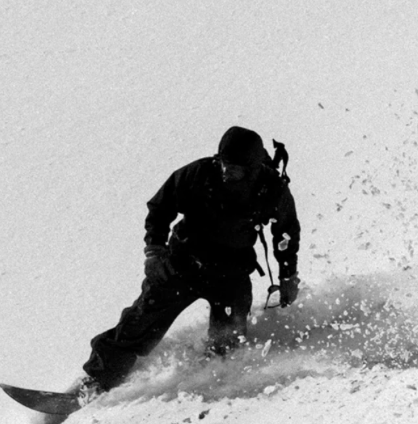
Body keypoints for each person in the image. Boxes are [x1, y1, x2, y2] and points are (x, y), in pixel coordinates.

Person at [74, 125, 301, 400]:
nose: (227, 172)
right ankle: (96, 382)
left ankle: (211, 385)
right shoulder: (199, 174)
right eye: (224, 164)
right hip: (182, 265)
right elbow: (160, 209)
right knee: (139, 324)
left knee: (228, 341)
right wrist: (154, 252)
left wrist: (288, 277)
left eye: (236, 168)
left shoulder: (271, 189)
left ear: (252, 168)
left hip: (231, 275)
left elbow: (286, 233)